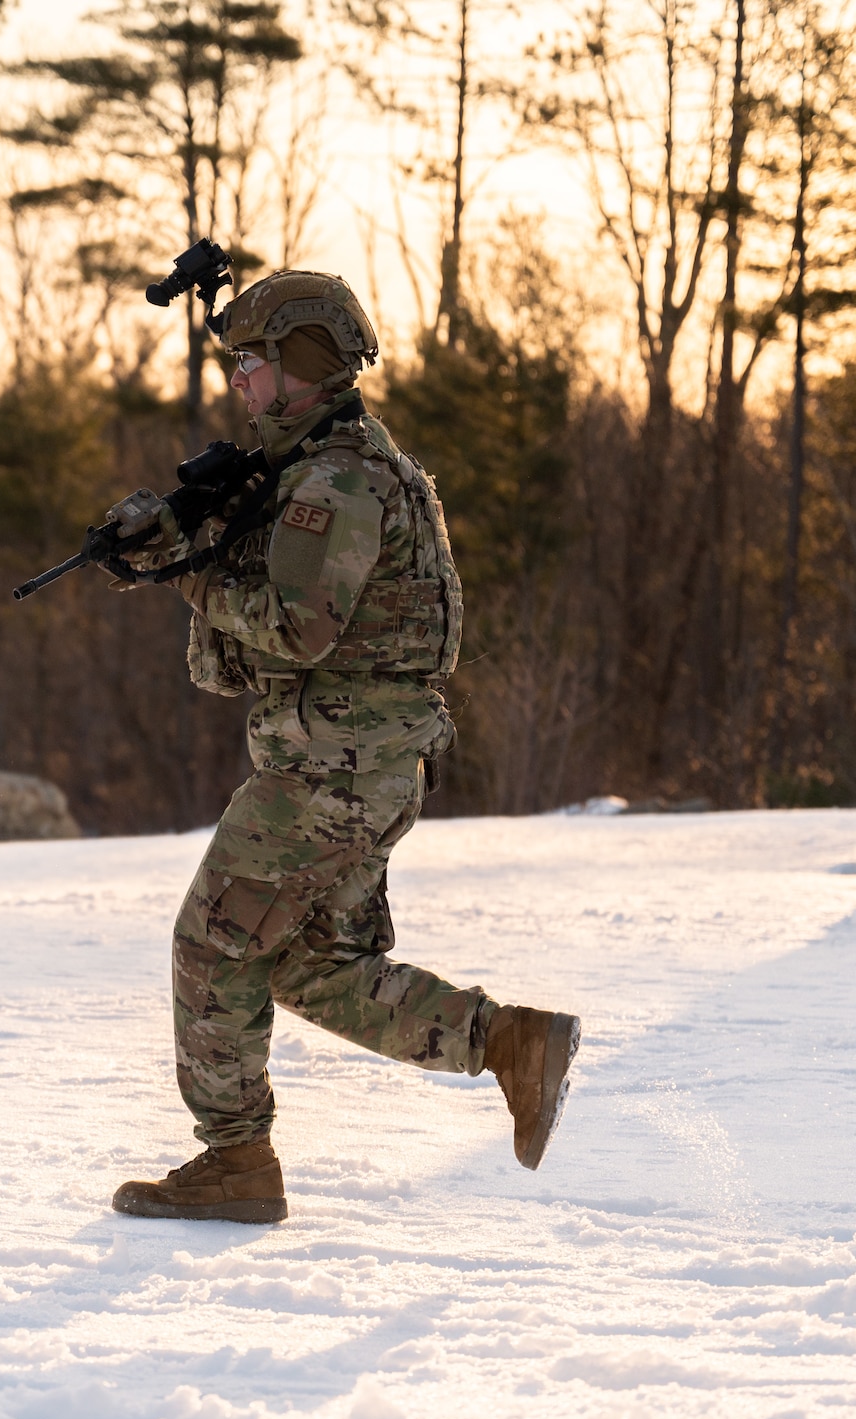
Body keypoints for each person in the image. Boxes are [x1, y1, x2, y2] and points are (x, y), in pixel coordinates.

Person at [108, 270, 579, 1223]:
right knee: (307, 966)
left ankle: (235, 1164)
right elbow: (232, 668)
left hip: (333, 774)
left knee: (212, 943)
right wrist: (194, 547)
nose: (239, 382)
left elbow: (296, 629)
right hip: (358, 767)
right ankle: (510, 1043)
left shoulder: (338, 479)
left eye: (253, 362)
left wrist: (180, 575)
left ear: (303, 364)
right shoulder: (313, 472)